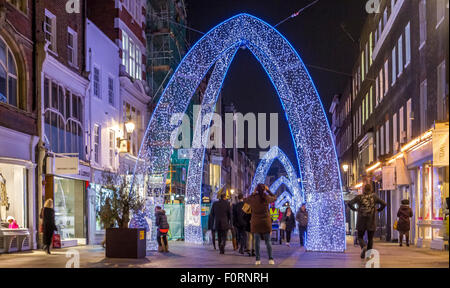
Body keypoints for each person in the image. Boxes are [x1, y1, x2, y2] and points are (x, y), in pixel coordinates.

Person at [348, 184, 386, 259]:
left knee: (360, 236)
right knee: (370, 238)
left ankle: (363, 246)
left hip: (361, 220)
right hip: (371, 220)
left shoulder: (359, 197)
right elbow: (384, 203)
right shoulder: (374, 197)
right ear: (371, 189)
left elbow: (349, 203)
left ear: (363, 189)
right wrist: (378, 210)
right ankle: (368, 254)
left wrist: (355, 210)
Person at [244, 184, 277, 265]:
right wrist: (268, 190)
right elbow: (275, 197)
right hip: (265, 222)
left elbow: (246, 200)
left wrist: (254, 192)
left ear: (257, 189)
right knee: (268, 242)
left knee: (257, 242)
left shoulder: (253, 198)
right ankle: (270, 259)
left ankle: (258, 260)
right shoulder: (266, 197)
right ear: (264, 190)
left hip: (256, 222)